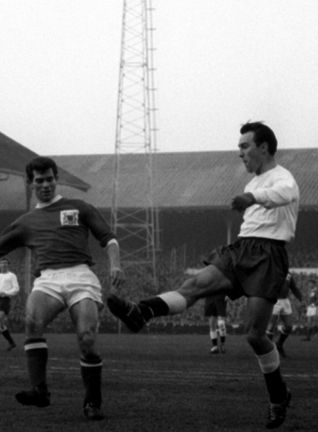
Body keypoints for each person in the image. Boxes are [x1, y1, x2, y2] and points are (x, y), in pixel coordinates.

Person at [107, 121, 299, 429]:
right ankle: (140, 312)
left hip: (269, 256)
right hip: (242, 249)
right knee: (193, 285)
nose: (240, 153)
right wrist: (250, 198)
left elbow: (284, 194)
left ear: (264, 147)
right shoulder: (253, 182)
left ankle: (278, 394)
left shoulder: (283, 178)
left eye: (244, 146)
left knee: (254, 335)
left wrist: (251, 199)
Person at [0, 156, 124, 421]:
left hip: (81, 275)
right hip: (48, 279)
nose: (45, 185)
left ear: (57, 179)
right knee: (32, 321)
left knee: (87, 338)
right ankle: (39, 390)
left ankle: (92, 401)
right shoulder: (26, 222)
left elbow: (108, 238)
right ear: (31, 183)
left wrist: (115, 265)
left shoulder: (79, 207)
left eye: (50, 179)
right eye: (39, 180)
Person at [266, 272, 303, 357]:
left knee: (289, 326)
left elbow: (294, 288)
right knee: (271, 326)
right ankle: (268, 351)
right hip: (274, 301)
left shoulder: (288, 274)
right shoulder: (271, 272)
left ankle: (279, 344)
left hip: (285, 301)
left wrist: (301, 298)